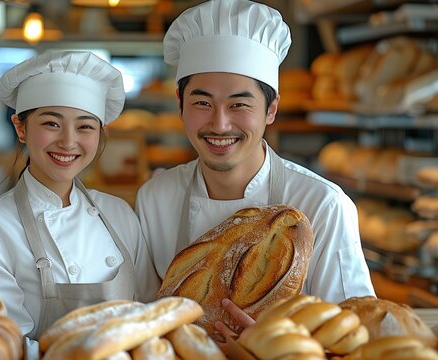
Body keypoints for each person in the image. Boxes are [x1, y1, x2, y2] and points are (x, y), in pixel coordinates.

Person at [135, 0, 375, 338]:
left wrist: (278, 342)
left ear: (271, 108)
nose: (219, 124)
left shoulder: (322, 204)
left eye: (239, 105)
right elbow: (144, 318)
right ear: (180, 104)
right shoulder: (155, 198)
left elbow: (354, 334)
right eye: (202, 103)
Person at [0, 50, 160, 357]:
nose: (68, 142)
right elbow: (1, 344)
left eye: (85, 126)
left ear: (101, 133)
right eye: (51, 124)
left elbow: (149, 313)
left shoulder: (119, 214)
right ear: (20, 128)